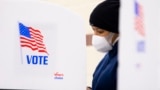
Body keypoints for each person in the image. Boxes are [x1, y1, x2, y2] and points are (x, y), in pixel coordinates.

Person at [87, 0, 120, 90]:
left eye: (100, 32)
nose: (95, 36)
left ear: (117, 32)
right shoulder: (109, 56)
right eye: (94, 30)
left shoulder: (124, 59)